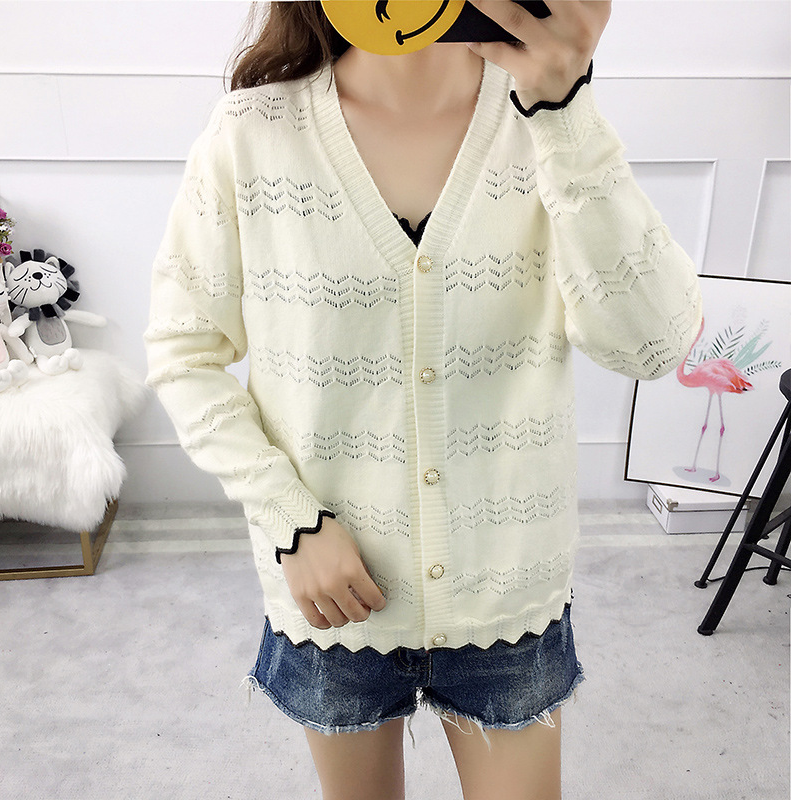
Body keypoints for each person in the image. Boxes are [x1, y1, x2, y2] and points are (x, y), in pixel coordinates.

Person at [143, 2, 703, 798]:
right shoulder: (251, 134)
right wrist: (290, 520)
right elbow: (183, 353)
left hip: (508, 595)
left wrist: (562, 107)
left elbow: (650, 344)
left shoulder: (542, 125)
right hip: (334, 599)